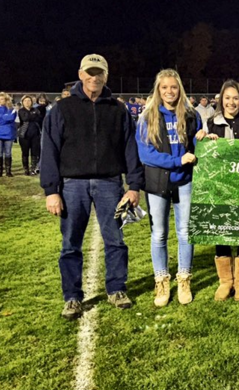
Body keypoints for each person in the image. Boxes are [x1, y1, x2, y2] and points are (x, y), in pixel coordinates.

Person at [41, 54, 144, 320]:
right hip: (72, 186)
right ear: (80, 74)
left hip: (110, 183)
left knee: (116, 241)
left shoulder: (118, 110)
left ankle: (117, 289)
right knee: (70, 244)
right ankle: (72, 297)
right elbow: (49, 150)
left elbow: (130, 148)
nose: (94, 77)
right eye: (89, 72)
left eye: (99, 72)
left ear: (106, 76)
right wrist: (51, 190)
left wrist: (133, 185)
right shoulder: (62, 109)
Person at [136, 69, 208, 307]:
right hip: (157, 183)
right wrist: (177, 161)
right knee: (159, 235)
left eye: (173, 87)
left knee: (185, 232)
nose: (169, 91)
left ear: (180, 89)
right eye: (164, 87)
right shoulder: (148, 116)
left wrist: (203, 139)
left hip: (185, 180)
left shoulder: (190, 114)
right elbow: (146, 155)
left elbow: (196, 147)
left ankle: (184, 279)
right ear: (158, 90)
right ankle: (162, 281)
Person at [207, 80, 239, 302]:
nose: (231, 102)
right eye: (227, 98)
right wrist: (206, 141)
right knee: (222, 229)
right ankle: (225, 282)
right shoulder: (211, 122)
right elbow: (204, 153)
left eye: (236, 98)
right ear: (221, 99)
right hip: (220, 186)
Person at [0, 92, 17, 177]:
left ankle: (8, 172)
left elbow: (11, 118)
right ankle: (0, 172)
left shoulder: (11, 109)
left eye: (4, 99)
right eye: (1, 99)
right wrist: (5, 118)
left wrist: (1, 117)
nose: (3, 100)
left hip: (9, 134)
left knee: (8, 153)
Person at [17, 95, 43, 176]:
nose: (27, 102)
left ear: (32, 102)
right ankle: (26, 169)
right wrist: (33, 115)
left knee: (34, 152)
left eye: (29, 100)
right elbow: (25, 118)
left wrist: (33, 115)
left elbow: (39, 119)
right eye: (25, 101)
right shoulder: (21, 110)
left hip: (35, 135)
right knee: (25, 152)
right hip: (24, 135)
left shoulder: (36, 110)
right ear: (22, 102)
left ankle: (33, 168)